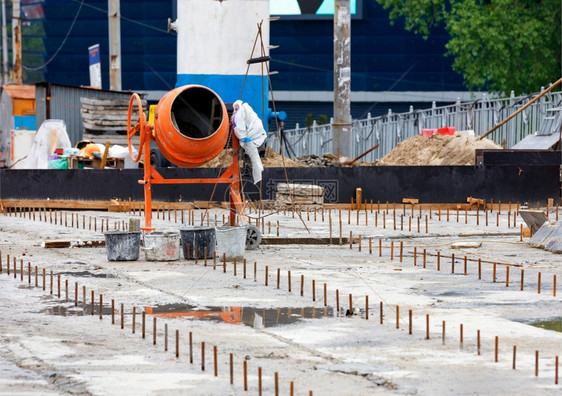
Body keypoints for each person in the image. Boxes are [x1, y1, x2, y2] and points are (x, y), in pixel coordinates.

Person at [231, 100, 267, 184]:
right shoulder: (240, 113)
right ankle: (249, 171)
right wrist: (243, 137)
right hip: (255, 136)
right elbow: (240, 129)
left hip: (256, 136)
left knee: (251, 155)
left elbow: (240, 129)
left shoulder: (240, 112)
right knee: (252, 155)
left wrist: (243, 137)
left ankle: (249, 171)